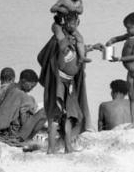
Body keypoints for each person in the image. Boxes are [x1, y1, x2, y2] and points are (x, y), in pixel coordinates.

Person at [38, 13, 100, 154]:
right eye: (69, 22)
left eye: (74, 22)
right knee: (55, 116)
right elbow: (50, 54)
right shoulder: (58, 39)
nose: (71, 25)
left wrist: (93, 47)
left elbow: (76, 51)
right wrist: (62, 37)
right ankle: (51, 148)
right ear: (65, 22)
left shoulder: (75, 38)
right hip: (59, 83)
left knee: (70, 116)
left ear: (78, 22)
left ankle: (68, 147)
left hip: (70, 83)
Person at [50, 0, 91, 64]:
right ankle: (66, 53)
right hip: (59, 25)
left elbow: (81, 11)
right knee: (60, 37)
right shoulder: (64, 0)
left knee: (80, 39)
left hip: (71, 27)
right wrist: (60, 9)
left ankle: (81, 57)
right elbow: (52, 8)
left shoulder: (79, 1)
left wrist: (75, 9)